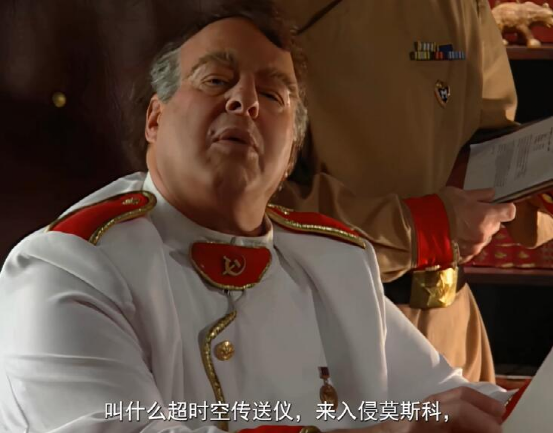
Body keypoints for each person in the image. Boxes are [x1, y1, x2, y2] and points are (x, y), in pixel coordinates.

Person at [0, 2, 518, 433]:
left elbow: (454, 401)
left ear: (290, 152)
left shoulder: (336, 261)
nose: (244, 100)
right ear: (155, 119)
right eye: (215, 80)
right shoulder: (68, 268)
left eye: (272, 95)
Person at [274, 0, 553, 383]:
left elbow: (484, 134)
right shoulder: (277, 11)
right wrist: (422, 229)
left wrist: (536, 178)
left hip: (454, 326)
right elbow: (248, 197)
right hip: (332, 336)